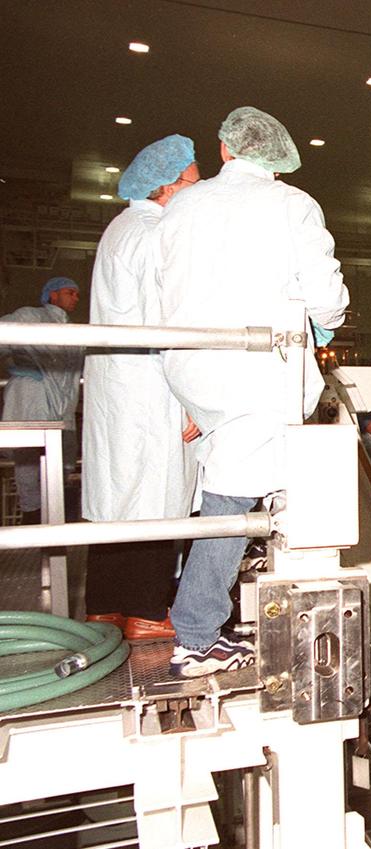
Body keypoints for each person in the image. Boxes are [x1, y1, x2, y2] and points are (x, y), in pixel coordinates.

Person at [158, 106, 349, 676]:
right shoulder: (292, 205)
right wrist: (327, 320)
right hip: (255, 367)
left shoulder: (184, 203)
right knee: (232, 496)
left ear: (224, 149)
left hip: (189, 364)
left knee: (234, 477)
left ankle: (210, 612)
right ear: (279, 158)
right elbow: (325, 292)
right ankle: (195, 634)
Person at [81, 134, 202, 639]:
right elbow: (167, 324)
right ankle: (149, 613)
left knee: (118, 495)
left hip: (120, 385)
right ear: (167, 189)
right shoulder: (155, 236)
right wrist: (193, 401)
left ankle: (105, 606)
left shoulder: (120, 228)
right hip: (153, 386)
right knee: (156, 497)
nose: (197, 196)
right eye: (193, 186)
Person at [0, 278, 82, 524]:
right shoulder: (29, 316)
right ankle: (32, 517)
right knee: (28, 461)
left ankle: (53, 521)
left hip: (61, 403)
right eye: (70, 293)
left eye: (78, 294)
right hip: (30, 395)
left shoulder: (74, 331)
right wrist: (19, 364)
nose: (76, 298)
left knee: (61, 463)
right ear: (52, 295)